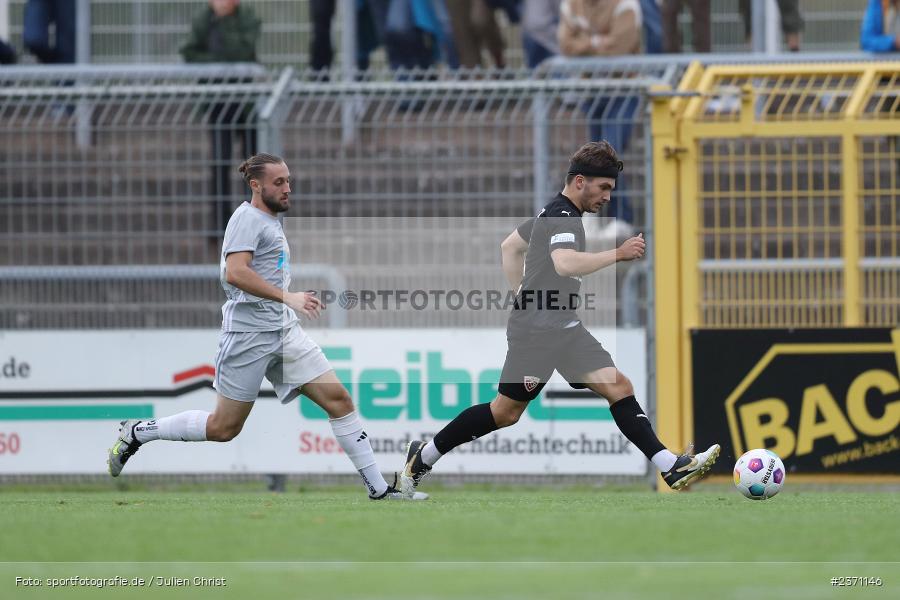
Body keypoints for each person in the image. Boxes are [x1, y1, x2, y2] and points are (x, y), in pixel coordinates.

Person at [400, 141, 720, 496]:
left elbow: (510, 246)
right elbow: (564, 263)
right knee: (505, 412)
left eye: (611, 189)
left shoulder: (550, 213)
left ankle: (669, 467)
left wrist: (519, 291)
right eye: (604, 188)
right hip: (538, 333)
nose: (608, 197)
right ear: (580, 181)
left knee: (619, 387)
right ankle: (424, 456)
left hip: (560, 327)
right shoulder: (564, 215)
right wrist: (618, 252)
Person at [108, 153, 427, 501]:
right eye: (279, 182)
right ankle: (139, 431)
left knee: (339, 400)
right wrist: (286, 297)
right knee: (223, 427)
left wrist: (284, 305)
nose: (288, 188)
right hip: (248, 335)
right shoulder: (247, 219)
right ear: (255, 185)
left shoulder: (269, 220)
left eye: (288, 180)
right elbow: (236, 272)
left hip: (284, 331)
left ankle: (380, 490)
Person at [558, 0, 641, 240]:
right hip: (592, 90)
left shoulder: (626, 5)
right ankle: (590, 216)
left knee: (609, 152)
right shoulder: (571, 5)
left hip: (623, 89)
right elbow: (565, 44)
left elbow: (621, 46)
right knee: (593, 156)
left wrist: (585, 44)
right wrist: (599, 42)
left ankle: (622, 217)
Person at [181, 0, 261, 245]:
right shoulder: (203, 19)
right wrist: (218, 65)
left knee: (254, 168)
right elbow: (189, 53)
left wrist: (224, 27)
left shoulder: (247, 17)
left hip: (245, 102)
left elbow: (243, 52)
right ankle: (221, 228)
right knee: (219, 163)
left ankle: (257, 226)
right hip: (218, 102)